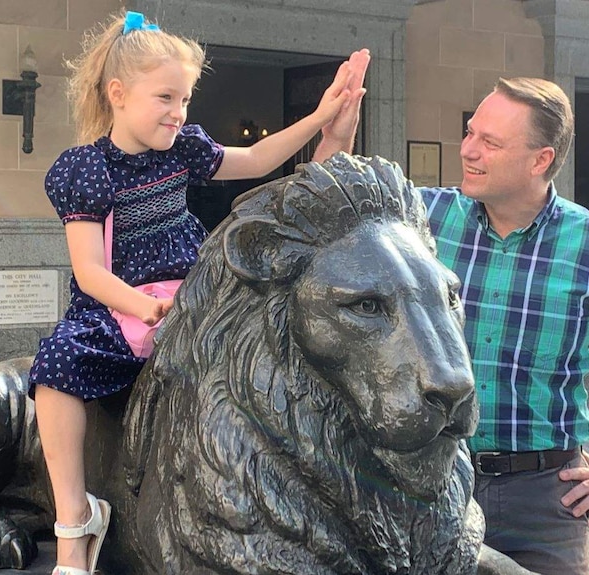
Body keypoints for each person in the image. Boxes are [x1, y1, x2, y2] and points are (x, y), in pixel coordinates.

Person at [29, 11, 369, 575]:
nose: (178, 112)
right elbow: (90, 273)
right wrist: (145, 307)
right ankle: (74, 521)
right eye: (165, 97)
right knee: (56, 367)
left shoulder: (182, 148)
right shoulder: (86, 169)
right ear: (118, 94)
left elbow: (259, 160)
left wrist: (321, 116)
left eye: (184, 99)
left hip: (192, 285)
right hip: (120, 303)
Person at [416, 78, 589, 574]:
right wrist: (336, 132)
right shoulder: (423, 218)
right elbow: (343, 218)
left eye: (489, 142)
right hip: (426, 484)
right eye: (470, 132)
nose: (468, 150)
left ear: (540, 159)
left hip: (544, 502)